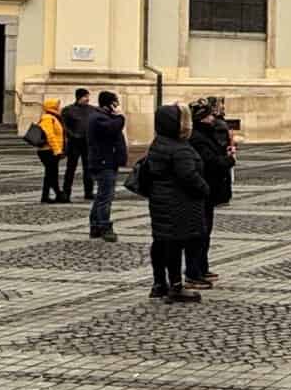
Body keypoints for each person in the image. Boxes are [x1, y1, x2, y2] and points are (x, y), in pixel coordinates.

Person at [133, 103, 208, 304]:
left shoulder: (158, 143)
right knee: (175, 243)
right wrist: (204, 188)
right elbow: (189, 176)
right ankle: (175, 287)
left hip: (161, 201)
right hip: (179, 203)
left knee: (161, 242)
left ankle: (159, 284)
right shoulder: (179, 149)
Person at [187, 98, 233, 287]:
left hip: (209, 191)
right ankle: (194, 272)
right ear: (202, 118)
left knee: (205, 232)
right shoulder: (198, 138)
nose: (213, 118)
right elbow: (211, 162)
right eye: (209, 116)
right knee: (199, 233)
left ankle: (202, 268)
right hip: (203, 191)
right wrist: (229, 159)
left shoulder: (206, 135)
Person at [85, 91, 127, 242]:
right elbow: (113, 128)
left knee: (102, 196)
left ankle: (95, 225)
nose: (118, 105)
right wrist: (121, 116)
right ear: (109, 103)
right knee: (106, 197)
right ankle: (104, 227)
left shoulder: (102, 116)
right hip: (103, 162)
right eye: (116, 102)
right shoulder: (99, 118)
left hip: (106, 161)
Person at [58, 88, 95, 204]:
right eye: (85, 97)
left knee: (88, 168)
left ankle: (89, 192)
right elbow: (64, 126)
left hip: (87, 142)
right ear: (79, 97)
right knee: (71, 169)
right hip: (74, 143)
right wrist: (73, 135)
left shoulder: (92, 110)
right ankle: (66, 192)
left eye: (88, 96)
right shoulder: (68, 110)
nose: (87, 99)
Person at [34, 99, 66, 203]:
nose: (59, 107)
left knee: (51, 174)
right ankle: (55, 194)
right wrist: (57, 150)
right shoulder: (48, 118)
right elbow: (49, 135)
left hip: (51, 150)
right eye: (57, 105)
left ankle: (51, 195)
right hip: (47, 150)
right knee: (51, 174)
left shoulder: (54, 117)